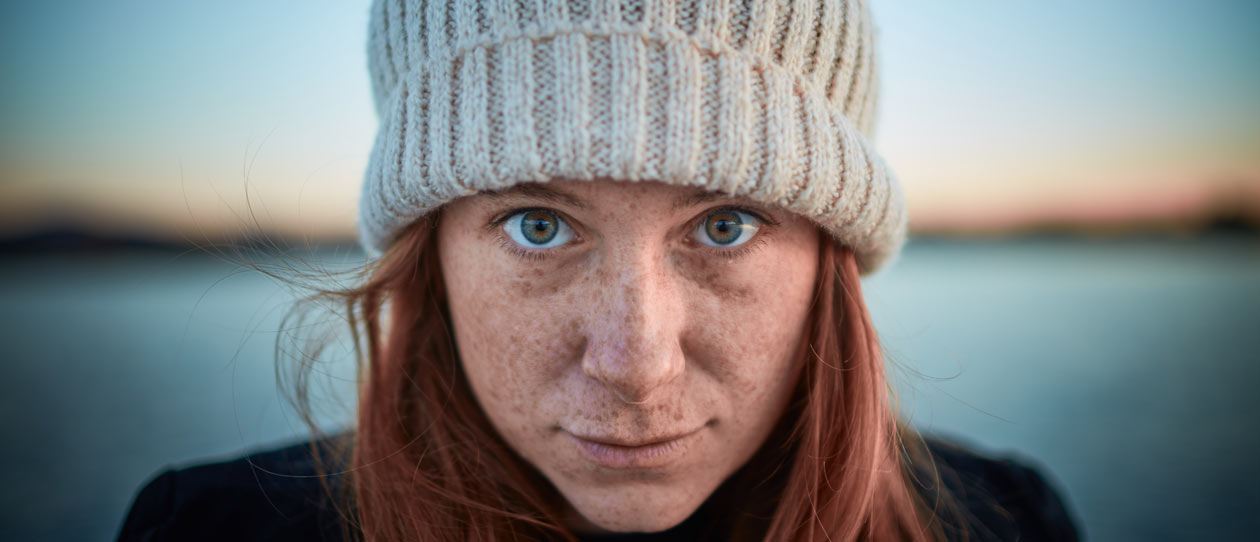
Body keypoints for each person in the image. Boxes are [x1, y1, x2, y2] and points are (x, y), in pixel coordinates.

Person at [118, 0, 1081, 540]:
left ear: (831, 254)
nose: (633, 362)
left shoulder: (1002, 526)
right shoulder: (211, 534)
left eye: (727, 224)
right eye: (539, 225)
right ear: (433, 255)